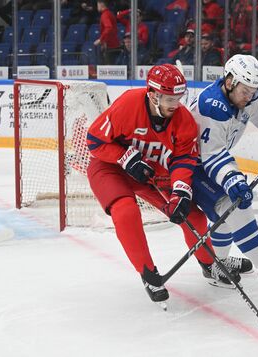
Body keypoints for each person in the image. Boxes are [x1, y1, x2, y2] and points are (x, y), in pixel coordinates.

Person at [86, 64, 241, 306]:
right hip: (110, 167)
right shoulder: (128, 104)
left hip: (150, 173)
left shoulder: (184, 121)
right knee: (126, 210)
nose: (174, 104)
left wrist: (180, 191)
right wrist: (124, 157)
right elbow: (94, 141)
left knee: (193, 218)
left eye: (178, 98)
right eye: (169, 98)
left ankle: (210, 265)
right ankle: (148, 273)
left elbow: (183, 159)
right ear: (153, 94)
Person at [189, 54, 258, 298]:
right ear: (229, 81)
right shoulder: (211, 105)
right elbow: (212, 155)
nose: (249, 98)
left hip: (212, 161)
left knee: (225, 216)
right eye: (245, 91)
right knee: (233, 207)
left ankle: (218, 264)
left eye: (253, 92)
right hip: (192, 166)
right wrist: (232, 179)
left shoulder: (248, 93)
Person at [94, 0, 120, 65]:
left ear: (101, 4)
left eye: (97, 4)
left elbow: (109, 27)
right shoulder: (109, 13)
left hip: (110, 46)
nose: (97, 6)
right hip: (112, 44)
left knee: (108, 69)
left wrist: (101, 39)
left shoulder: (105, 15)